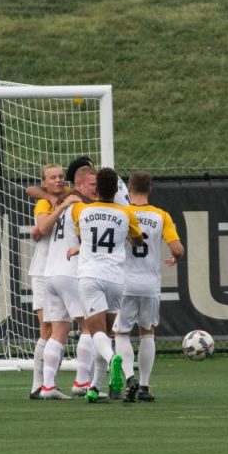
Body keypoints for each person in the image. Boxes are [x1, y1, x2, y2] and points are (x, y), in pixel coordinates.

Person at [68, 167, 143, 403]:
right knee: (106, 334)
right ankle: (94, 387)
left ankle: (113, 362)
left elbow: (83, 235)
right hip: (115, 279)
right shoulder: (126, 214)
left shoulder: (82, 211)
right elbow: (139, 241)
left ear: (97, 189)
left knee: (95, 332)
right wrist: (128, 236)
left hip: (91, 276)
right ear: (116, 190)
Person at [114, 171, 184, 403]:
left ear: (128, 189)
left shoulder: (122, 213)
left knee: (121, 333)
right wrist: (177, 257)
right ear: (150, 188)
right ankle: (144, 386)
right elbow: (177, 249)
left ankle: (129, 377)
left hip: (124, 281)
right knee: (147, 333)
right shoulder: (161, 215)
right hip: (150, 283)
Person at [36, 165, 97, 400]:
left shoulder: (60, 204)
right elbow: (92, 236)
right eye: (92, 185)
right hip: (70, 272)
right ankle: (82, 381)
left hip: (50, 274)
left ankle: (48, 387)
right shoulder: (79, 207)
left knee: (59, 330)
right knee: (91, 326)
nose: (96, 190)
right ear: (79, 185)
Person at [26, 163, 68, 399]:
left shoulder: (68, 197)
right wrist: (55, 206)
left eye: (61, 176)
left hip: (60, 270)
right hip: (42, 271)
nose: (58, 180)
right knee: (47, 328)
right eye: (52, 177)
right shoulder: (44, 202)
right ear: (45, 182)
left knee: (60, 327)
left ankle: (49, 383)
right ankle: (37, 384)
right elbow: (41, 226)